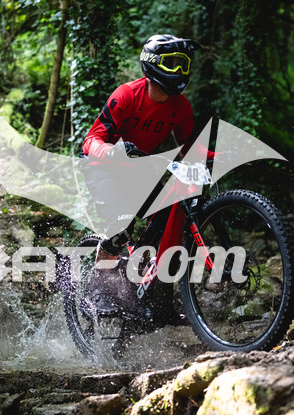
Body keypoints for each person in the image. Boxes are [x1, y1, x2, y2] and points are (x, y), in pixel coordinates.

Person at [81, 34, 214, 316]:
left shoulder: (180, 106)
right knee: (120, 226)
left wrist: (221, 156)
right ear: (153, 64)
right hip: (101, 167)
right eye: (172, 64)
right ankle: (99, 289)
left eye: (184, 64)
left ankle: (157, 296)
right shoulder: (127, 95)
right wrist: (112, 152)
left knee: (171, 219)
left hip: (137, 169)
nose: (179, 71)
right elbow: (91, 140)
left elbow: (190, 148)